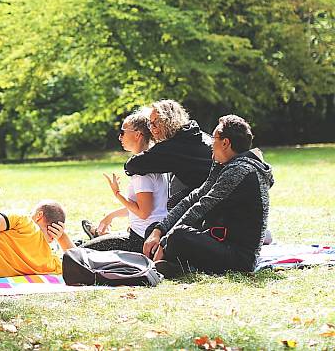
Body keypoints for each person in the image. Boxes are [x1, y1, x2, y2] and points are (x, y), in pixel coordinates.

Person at [142, 115, 274, 276]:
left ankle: (178, 264)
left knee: (177, 235)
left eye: (214, 138)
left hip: (238, 257)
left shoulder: (240, 170)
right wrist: (159, 230)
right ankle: (179, 265)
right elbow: (195, 197)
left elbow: (201, 207)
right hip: (219, 240)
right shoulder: (224, 164)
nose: (211, 142)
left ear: (225, 143)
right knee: (156, 229)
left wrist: (164, 242)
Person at [81, 109, 169, 253]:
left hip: (139, 241)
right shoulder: (151, 162)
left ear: (137, 135)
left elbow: (143, 213)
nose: (120, 137)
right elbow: (144, 207)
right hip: (144, 236)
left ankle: (94, 237)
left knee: (78, 252)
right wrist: (111, 216)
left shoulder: (141, 171)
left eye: (123, 132)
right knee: (91, 246)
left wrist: (117, 194)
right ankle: (96, 235)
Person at [124, 100, 213, 209]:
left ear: (169, 121)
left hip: (214, 199)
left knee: (173, 203)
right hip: (215, 190)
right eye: (150, 123)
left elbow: (133, 164)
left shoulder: (174, 147)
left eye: (156, 122)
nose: (152, 128)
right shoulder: (195, 134)